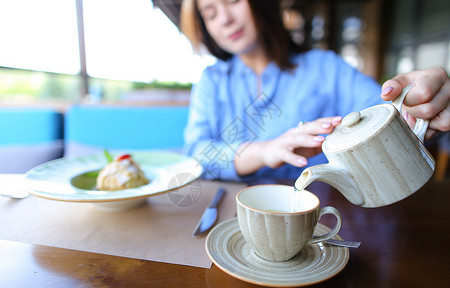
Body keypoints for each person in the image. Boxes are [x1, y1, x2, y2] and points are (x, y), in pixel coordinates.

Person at [180, 0, 450, 182]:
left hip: (323, 210)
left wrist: (417, 103)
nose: (225, 19)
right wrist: (265, 151)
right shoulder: (211, 80)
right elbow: (196, 153)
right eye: (210, 13)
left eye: (233, 0)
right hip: (231, 211)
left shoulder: (325, 67)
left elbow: (387, 113)